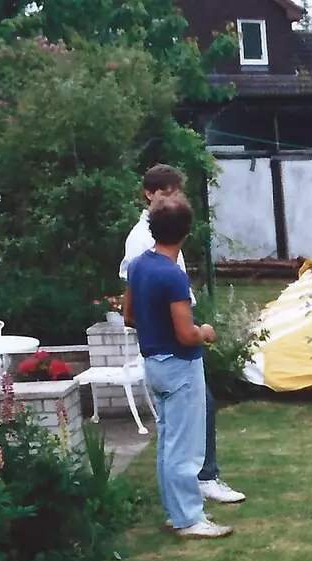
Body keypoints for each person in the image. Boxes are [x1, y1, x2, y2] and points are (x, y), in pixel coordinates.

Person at [120, 164, 247, 506]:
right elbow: (182, 332)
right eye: (168, 193)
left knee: (170, 441)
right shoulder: (158, 263)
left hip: (156, 357)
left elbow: (128, 313)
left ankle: (180, 506)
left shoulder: (142, 262)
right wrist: (201, 331)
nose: (171, 198)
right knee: (182, 445)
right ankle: (189, 512)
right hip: (175, 356)